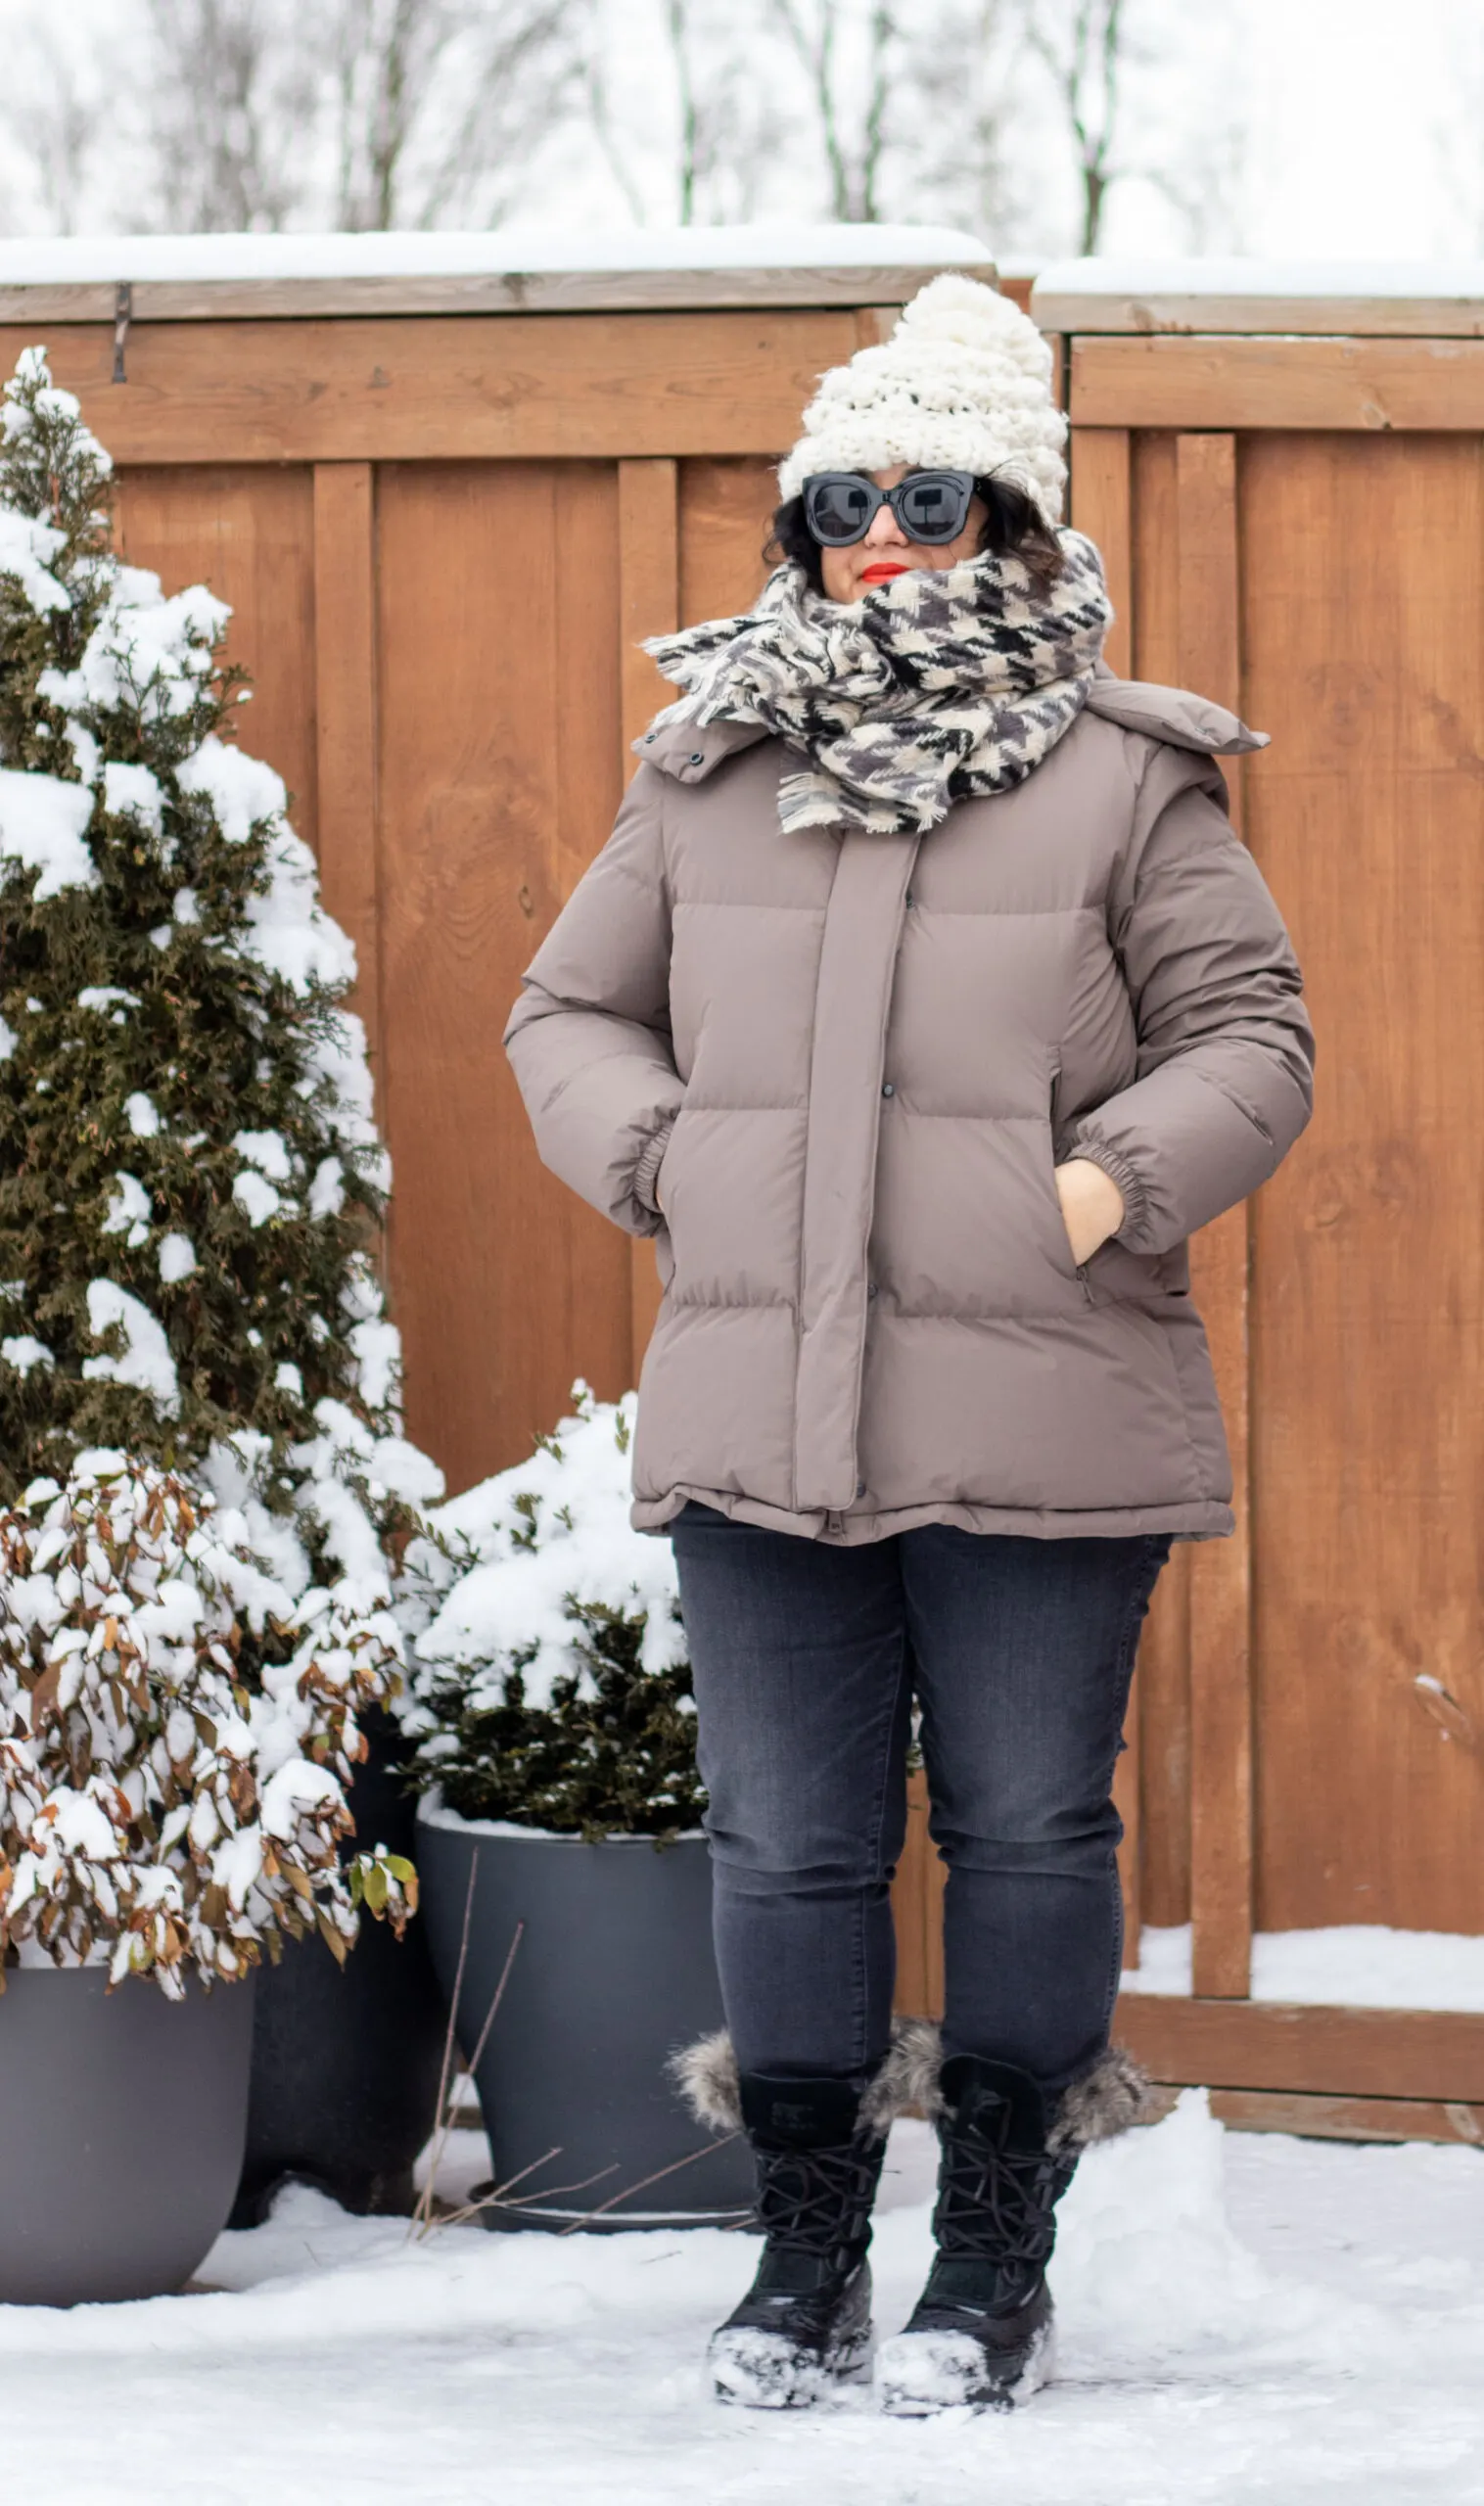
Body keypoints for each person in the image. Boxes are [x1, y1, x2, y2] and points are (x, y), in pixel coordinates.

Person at [505, 275, 1314, 2416]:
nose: (879, 531)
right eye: (839, 498)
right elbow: (561, 1012)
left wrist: (1101, 1180)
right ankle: (798, 2259)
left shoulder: (1128, 779)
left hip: (1042, 1395)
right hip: (762, 1400)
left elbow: (1253, 1035)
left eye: (928, 495)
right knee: (783, 1842)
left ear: (1014, 523)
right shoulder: (707, 764)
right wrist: (663, 1157)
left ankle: (989, 2259)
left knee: (1032, 1827)